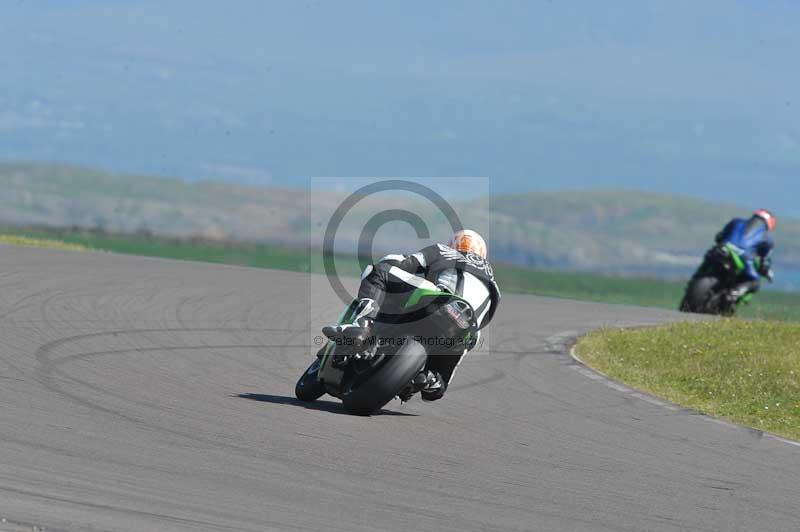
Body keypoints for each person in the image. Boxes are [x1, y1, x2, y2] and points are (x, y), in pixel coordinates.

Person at [323, 229, 500, 403]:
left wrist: (390, 261)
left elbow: (406, 263)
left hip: (439, 301)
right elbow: (484, 320)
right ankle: (432, 379)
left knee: (379, 271)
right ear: (482, 254)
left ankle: (362, 326)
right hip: (466, 327)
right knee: (439, 385)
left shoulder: (444, 250)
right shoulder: (494, 285)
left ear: (454, 244)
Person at [715, 209, 776, 299]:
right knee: (754, 281)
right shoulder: (767, 238)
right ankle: (734, 292)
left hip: (724, 248)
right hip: (744, 257)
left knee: (711, 256)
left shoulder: (736, 222)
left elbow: (719, 236)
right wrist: (766, 271)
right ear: (769, 224)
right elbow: (765, 261)